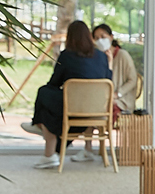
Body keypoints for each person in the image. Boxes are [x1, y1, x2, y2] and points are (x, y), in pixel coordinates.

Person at [23, 19, 111, 169]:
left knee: (44, 93)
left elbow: (54, 83)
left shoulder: (66, 56)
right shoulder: (102, 57)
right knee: (54, 106)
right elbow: (108, 81)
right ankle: (50, 151)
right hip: (97, 109)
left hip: (73, 107)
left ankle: (40, 129)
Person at [73, 23, 139, 161]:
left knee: (105, 108)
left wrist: (118, 94)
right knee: (89, 107)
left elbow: (132, 80)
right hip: (101, 98)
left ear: (111, 37)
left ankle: (99, 147)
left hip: (121, 99)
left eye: (103, 37)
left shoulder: (122, 55)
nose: (100, 41)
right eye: (96, 38)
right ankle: (88, 148)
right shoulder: (96, 57)